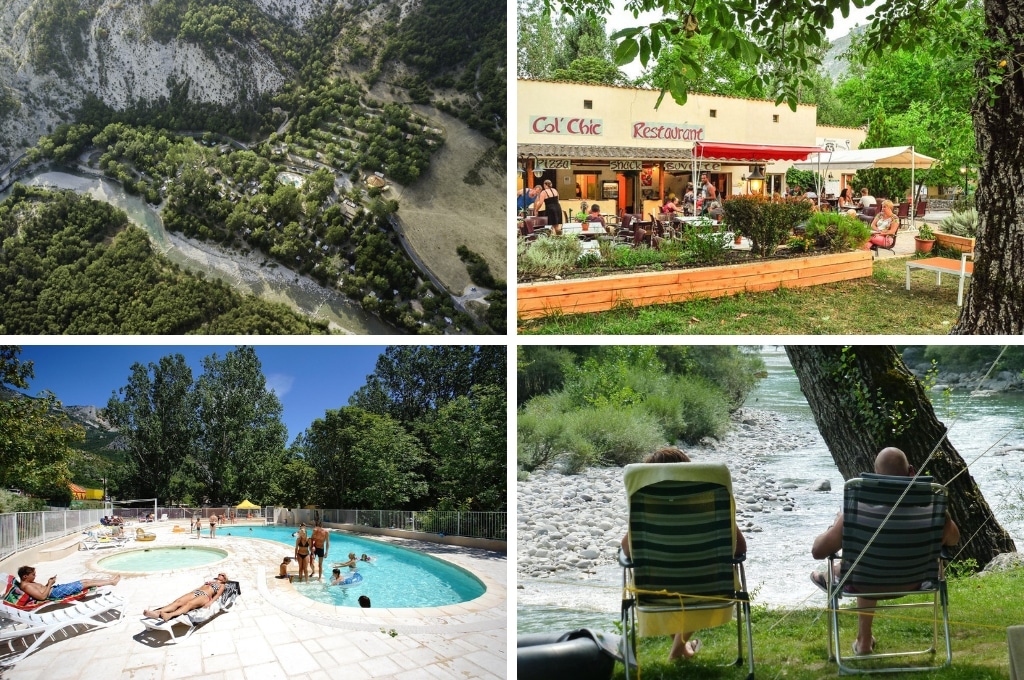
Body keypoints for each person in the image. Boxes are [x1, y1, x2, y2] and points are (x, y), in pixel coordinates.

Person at [810, 447, 960, 656]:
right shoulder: (932, 508)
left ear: (877, 476)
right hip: (915, 580)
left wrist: (835, 526)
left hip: (866, 580)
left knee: (863, 567)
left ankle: (862, 639)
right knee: (865, 565)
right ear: (911, 472)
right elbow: (954, 539)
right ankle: (863, 638)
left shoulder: (857, 509)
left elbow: (818, 551)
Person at [620, 447, 747, 663]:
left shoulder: (649, 516)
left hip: (655, 594)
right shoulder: (710, 512)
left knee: (669, 585)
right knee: (702, 581)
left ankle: (678, 650)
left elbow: (626, 551)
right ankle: (680, 649)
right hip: (710, 589)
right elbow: (740, 549)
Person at [144, 573, 229, 621]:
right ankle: (157, 612)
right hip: (196, 592)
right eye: (220, 573)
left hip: (205, 596)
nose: (220, 575)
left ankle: (170, 615)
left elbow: (218, 595)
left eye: (223, 575)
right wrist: (192, 592)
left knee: (189, 604)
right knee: (178, 602)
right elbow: (200, 587)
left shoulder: (222, 585)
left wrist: (210, 602)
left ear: (224, 579)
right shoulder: (211, 581)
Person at [16, 566, 120, 602]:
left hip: (55, 589)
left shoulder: (28, 583)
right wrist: (50, 584)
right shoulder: (27, 586)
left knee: (84, 580)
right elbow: (43, 597)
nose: (35, 576)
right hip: (56, 593)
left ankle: (110, 580)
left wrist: (49, 583)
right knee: (87, 583)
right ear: (25, 576)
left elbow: (41, 590)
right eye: (33, 575)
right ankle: (111, 582)